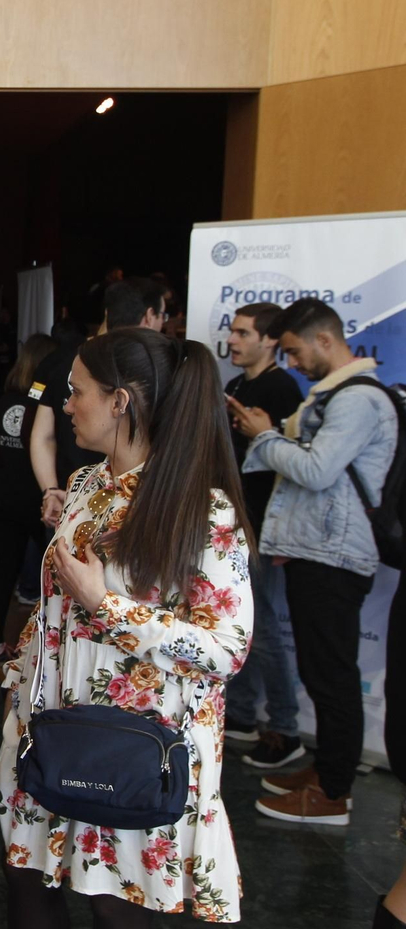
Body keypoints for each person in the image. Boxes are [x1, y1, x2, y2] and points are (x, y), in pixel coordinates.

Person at [0, 327, 253, 925]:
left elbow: (225, 649)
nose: (64, 402)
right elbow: (58, 612)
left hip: (133, 753)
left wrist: (106, 604)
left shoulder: (201, 510)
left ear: (120, 401)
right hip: (52, 732)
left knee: (116, 909)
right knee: (28, 891)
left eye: (76, 390)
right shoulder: (85, 485)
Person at [229, 297, 398, 826]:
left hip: (335, 557)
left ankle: (334, 792)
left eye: (298, 352)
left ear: (325, 340)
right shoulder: (335, 396)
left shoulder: (358, 401)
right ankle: (329, 771)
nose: (295, 364)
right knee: (323, 672)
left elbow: (319, 469)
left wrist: (265, 437)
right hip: (315, 551)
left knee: (332, 676)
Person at [218, 302, 305, 770]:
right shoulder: (235, 385)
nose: (232, 340)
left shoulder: (283, 388)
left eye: (242, 333)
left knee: (265, 627)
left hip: (265, 526)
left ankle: (285, 728)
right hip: (233, 523)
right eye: (232, 331)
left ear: (270, 340)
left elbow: (292, 463)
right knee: (242, 624)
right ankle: (245, 715)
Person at [32, 277, 166, 529]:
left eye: (78, 393)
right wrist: (56, 493)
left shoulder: (170, 502)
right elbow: (42, 435)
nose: (69, 407)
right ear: (149, 316)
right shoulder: (85, 482)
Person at [0, 333, 59, 669]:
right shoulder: (44, 404)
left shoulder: (6, 399)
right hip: (37, 500)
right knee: (50, 578)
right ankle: (41, 654)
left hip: (2, 495)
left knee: (6, 571)